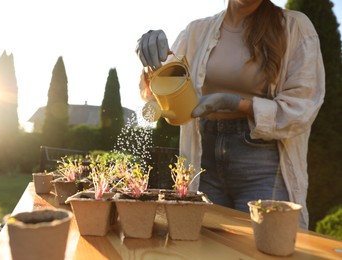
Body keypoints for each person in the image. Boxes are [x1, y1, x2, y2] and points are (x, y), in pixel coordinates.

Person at [135, 0, 325, 229]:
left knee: (266, 245)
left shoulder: (294, 27)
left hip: (262, 162)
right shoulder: (197, 31)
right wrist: (151, 63)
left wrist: (237, 104)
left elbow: (302, 106)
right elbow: (162, 90)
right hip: (203, 160)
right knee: (206, 246)